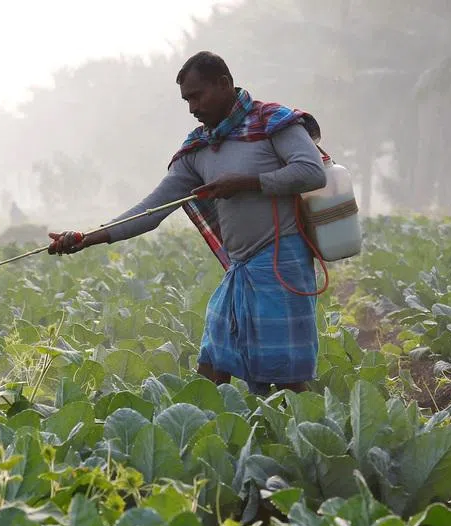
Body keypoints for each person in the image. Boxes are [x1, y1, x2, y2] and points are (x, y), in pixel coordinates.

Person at [48, 51, 327, 395]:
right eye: (186, 100)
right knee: (212, 361)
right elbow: (151, 210)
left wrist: (245, 183)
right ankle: (210, 438)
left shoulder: (273, 122)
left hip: (282, 261)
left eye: (197, 96)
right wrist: (85, 237)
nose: (192, 108)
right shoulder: (199, 148)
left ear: (224, 84)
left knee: (286, 375)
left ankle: (298, 442)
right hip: (240, 270)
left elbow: (311, 172)